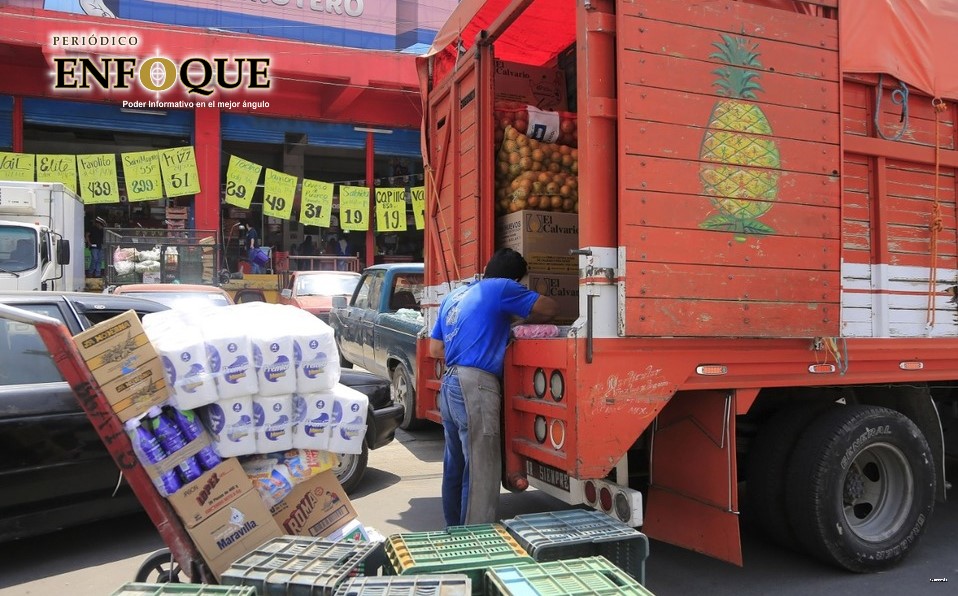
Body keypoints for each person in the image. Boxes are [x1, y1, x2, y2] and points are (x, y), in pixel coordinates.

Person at [428, 248, 558, 527]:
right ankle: (473, 541)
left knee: (456, 466)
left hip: (450, 383)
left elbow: (435, 347)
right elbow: (549, 309)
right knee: (481, 471)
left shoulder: (455, 296)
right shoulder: (502, 288)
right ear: (516, 280)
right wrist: (516, 315)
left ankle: (453, 530)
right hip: (475, 386)